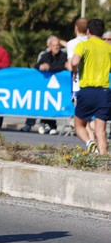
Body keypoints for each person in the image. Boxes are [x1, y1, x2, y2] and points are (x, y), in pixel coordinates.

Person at [71, 18, 111, 155]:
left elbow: (74, 61)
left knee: (79, 125)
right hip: (104, 91)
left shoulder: (83, 45)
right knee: (100, 131)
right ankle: (103, 158)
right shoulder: (108, 47)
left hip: (87, 90)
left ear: (88, 31)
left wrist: (75, 71)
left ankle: (89, 143)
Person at [35, 35, 67, 134]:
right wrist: (40, 66)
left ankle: (53, 125)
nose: (56, 47)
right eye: (54, 45)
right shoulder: (45, 55)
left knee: (56, 104)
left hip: (60, 86)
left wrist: (49, 68)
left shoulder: (63, 55)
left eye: (58, 45)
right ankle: (44, 123)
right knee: (46, 103)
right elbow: (37, 66)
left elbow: (63, 66)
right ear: (50, 46)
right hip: (46, 85)